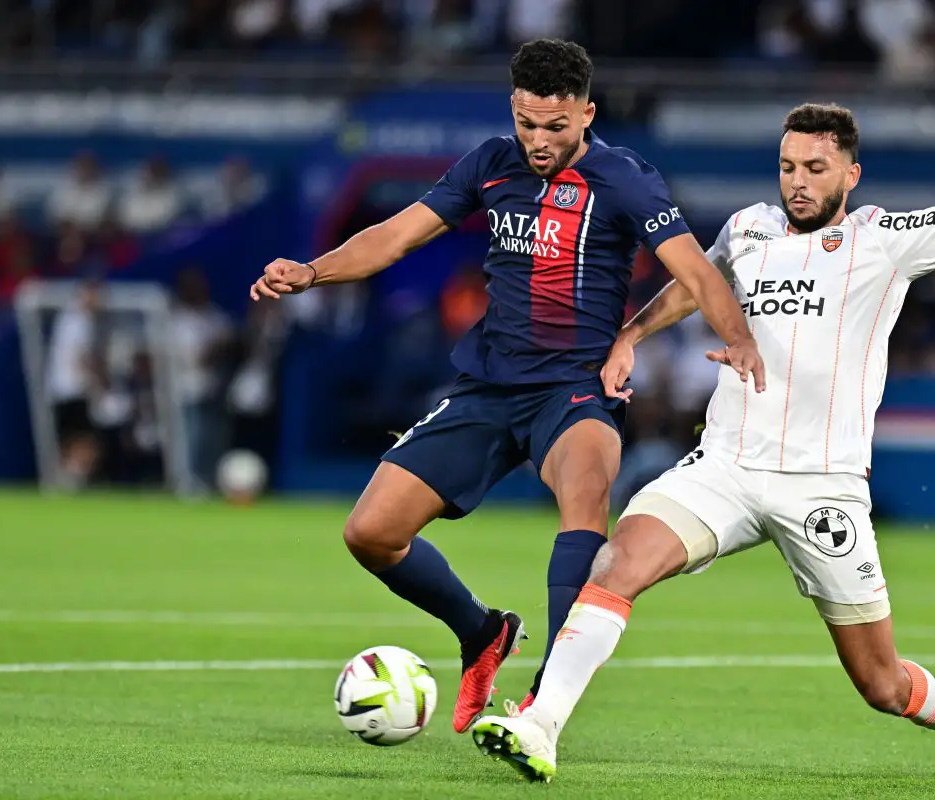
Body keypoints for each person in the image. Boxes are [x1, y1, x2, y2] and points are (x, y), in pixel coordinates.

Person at [472, 18, 935, 783]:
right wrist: (631, 334)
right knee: (620, 560)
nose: (797, 181)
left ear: (851, 176)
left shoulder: (884, 239)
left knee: (880, 683)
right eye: (787, 166)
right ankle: (540, 725)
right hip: (725, 468)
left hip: (821, 484)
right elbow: (693, 286)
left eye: (814, 167)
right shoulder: (749, 230)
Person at [250, 38, 764, 734]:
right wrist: (311, 270)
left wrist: (735, 336)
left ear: (587, 112)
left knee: (586, 498)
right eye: (527, 122)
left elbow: (697, 271)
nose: (539, 139)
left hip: (573, 389)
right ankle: (480, 631)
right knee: (370, 532)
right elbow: (397, 235)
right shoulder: (491, 163)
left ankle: (545, 703)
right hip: (488, 387)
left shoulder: (624, 179)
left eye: (555, 126)